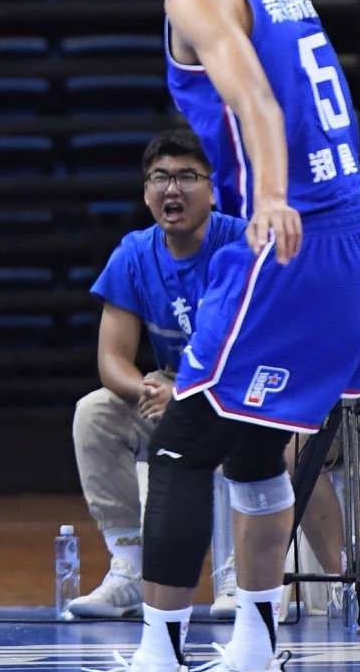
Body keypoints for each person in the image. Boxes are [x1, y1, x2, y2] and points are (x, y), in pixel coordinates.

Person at [52, 0, 360, 672]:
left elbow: (253, 96)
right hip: (359, 246)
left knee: (180, 442)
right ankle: (253, 660)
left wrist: (271, 195)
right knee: (252, 447)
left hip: (293, 244)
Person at [70, 126, 344, 622]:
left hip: (252, 388)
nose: (171, 188)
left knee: (247, 433)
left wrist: (189, 394)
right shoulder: (134, 254)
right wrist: (149, 388)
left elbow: (268, 345)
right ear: (146, 192)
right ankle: (130, 566)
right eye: (160, 178)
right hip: (172, 388)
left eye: (186, 176)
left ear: (214, 190)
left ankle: (255, 577)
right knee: (95, 414)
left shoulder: (244, 244)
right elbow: (111, 359)